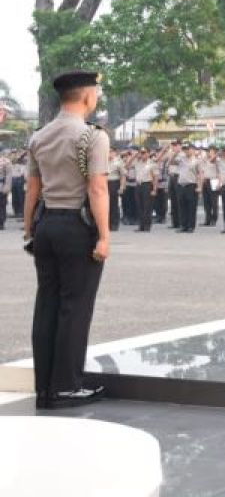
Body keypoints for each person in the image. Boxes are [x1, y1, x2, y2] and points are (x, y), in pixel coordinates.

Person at [24, 70, 110, 409]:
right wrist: (104, 236)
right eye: (97, 92)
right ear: (87, 96)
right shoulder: (92, 137)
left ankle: (44, 387)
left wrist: (30, 229)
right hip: (77, 225)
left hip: (46, 226)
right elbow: (98, 187)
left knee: (47, 305)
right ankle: (66, 386)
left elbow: (34, 189)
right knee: (75, 308)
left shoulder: (40, 136)